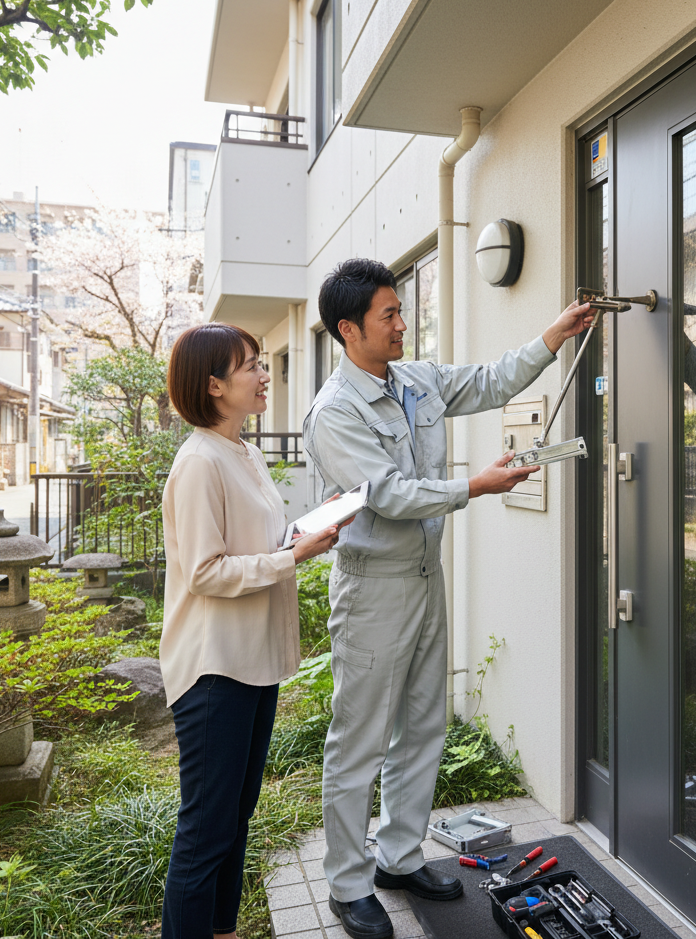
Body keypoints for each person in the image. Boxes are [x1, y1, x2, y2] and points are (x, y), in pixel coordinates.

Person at [303, 259, 593, 939]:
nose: (403, 324)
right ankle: (348, 885)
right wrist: (476, 486)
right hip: (373, 589)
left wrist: (554, 333)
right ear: (349, 330)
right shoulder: (333, 413)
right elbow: (390, 494)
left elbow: (490, 381)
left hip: (426, 579)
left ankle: (399, 859)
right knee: (359, 742)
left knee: (423, 725)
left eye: (401, 311)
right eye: (388, 316)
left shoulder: (415, 379)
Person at [160, 323, 339, 939]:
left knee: (234, 818)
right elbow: (205, 572)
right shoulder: (198, 462)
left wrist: (302, 536)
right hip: (214, 668)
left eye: (262, 364)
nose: (265, 376)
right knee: (206, 829)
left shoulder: (243, 451)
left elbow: (254, 544)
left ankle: (223, 930)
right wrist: (295, 556)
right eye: (251, 367)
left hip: (252, 662)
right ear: (213, 385)